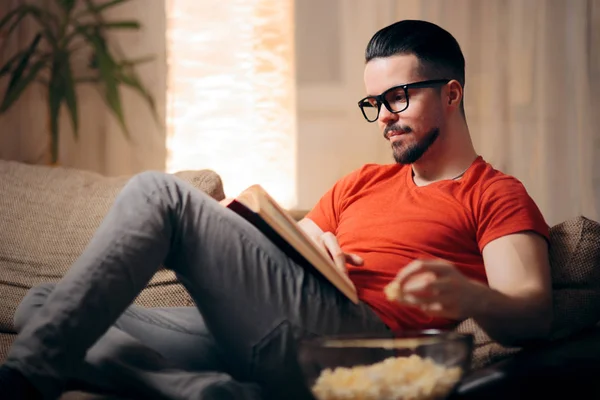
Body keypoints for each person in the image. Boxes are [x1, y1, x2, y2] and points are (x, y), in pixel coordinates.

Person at [0, 19, 552, 400]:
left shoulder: (494, 192)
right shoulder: (362, 181)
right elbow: (290, 246)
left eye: (398, 97)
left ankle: (24, 380)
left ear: (452, 95)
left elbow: (534, 310)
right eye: (374, 103)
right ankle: (201, 393)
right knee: (43, 306)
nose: (384, 115)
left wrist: (468, 294)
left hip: (357, 342)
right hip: (278, 322)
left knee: (159, 193)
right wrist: (316, 242)